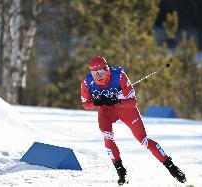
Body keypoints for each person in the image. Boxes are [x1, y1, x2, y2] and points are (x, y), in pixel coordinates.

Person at [80, 56, 186, 185]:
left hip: (125, 109)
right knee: (107, 137)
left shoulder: (119, 77)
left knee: (143, 139)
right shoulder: (87, 82)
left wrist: (117, 100)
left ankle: (171, 167)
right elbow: (86, 104)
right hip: (105, 111)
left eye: (101, 72)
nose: (98, 76)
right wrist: (96, 103)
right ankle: (121, 172)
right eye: (94, 73)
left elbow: (132, 102)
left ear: (107, 69)